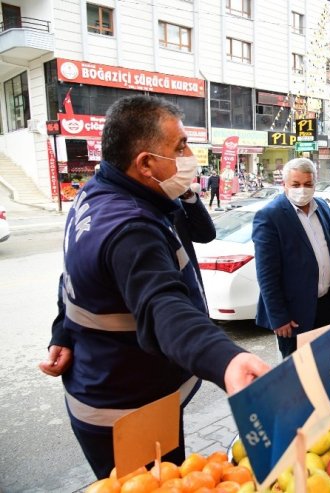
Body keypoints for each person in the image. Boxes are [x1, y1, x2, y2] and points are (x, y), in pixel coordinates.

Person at [37, 95, 270, 479]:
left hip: (123, 391)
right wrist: (226, 359)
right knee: (156, 484)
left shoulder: (99, 193)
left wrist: (62, 330)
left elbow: (75, 276)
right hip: (127, 413)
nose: (190, 155)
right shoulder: (131, 227)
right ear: (145, 163)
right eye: (179, 146)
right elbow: (164, 307)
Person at [252, 157, 330, 358]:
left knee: (326, 367)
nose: (302, 189)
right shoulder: (270, 216)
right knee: (299, 375)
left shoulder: (323, 207)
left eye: (308, 184)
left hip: (326, 306)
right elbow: (266, 274)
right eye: (296, 184)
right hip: (294, 313)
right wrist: (278, 317)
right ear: (284, 184)